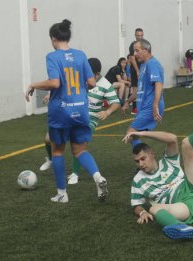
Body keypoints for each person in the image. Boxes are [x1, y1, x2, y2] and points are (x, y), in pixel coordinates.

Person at [123, 92, 193, 240]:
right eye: (137, 161)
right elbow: (136, 204)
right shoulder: (138, 180)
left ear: (152, 154)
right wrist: (142, 212)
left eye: (143, 158)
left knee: (187, 144)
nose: (140, 164)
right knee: (154, 208)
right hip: (183, 206)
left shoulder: (168, 161)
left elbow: (172, 139)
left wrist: (141, 133)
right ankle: (181, 228)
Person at [25, 19, 108, 203]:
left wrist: (33, 84)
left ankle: (62, 193)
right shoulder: (80, 55)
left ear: (53, 38)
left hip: (61, 111)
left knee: (57, 152)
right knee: (79, 151)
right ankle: (97, 177)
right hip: (80, 109)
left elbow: (55, 83)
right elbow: (92, 83)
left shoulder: (52, 57)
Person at [67, 58, 121, 185]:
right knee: (49, 138)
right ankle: (51, 159)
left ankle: (75, 173)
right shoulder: (80, 78)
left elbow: (116, 102)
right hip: (74, 114)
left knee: (79, 141)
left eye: (90, 74)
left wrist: (107, 112)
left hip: (90, 119)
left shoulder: (105, 85)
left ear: (97, 74)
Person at [121, 38, 164, 149]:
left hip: (150, 106)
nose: (135, 54)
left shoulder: (152, 64)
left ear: (145, 50)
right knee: (134, 135)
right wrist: (127, 101)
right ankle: (146, 161)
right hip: (145, 106)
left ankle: (147, 161)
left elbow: (158, 84)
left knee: (130, 134)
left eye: (137, 50)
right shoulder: (144, 65)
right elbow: (140, 90)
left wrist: (155, 105)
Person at [128, 28, 144, 114]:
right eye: (138, 35)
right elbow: (132, 59)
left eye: (141, 35)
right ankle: (134, 108)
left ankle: (141, 106)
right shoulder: (133, 45)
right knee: (136, 89)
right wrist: (138, 71)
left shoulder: (145, 45)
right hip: (135, 71)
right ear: (135, 35)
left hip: (143, 70)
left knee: (143, 88)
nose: (139, 37)